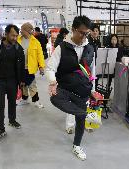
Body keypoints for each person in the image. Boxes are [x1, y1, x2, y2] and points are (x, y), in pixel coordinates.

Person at [46, 15, 102, 161]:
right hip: (65, 89)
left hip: (82, 90)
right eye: (82, 33)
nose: (84, 36)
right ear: (73, 30)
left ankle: (76, 145)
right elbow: (50, 68)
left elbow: (92, 72)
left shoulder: (90, 49)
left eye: (87, 33)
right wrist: (52, 82)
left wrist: (92, 90)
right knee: (55, 98)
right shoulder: (62, 48)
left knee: (80, 121)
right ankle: (84, 114)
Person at [0, 24, 25, 140]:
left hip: (13, 81)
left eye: (16, 36)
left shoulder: (18, 48)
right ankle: (0, 129)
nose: (14, 38)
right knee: (0, 105)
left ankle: (12, 120)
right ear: (6, 34)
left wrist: (21, 80)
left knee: (12, 102)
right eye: (12, 35)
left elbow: (22, 66)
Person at [17, 22, 45, 108]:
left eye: (22, 29)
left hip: (30, 67)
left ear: (27, 31)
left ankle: (36, 100)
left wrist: (41, 67)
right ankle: (25, 99)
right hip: (19, 67)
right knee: (23, 84)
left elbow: (40, 55)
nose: (20, 31)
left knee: (32, 84)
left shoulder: (35, 42)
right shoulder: (18, 39)